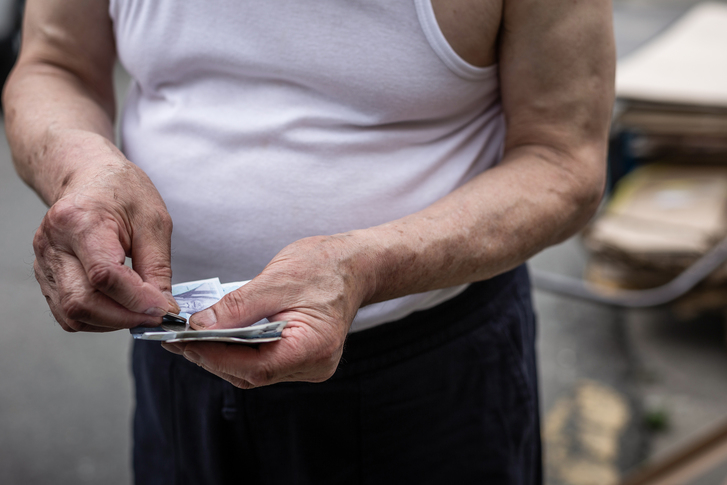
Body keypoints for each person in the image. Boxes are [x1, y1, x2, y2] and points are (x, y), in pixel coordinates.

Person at [4, 0, 615, 483]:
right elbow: (54, 63)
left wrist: (367, 268)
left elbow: (564, 161)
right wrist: (80, 168)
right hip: (179, 359)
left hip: (428, 373)